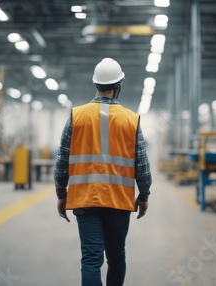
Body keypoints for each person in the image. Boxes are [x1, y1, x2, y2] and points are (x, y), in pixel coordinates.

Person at [54, 58, 152, 286]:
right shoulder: (131, 120)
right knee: (116, 257)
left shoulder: (76, 116)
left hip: (85, 200)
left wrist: (61, 194)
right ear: (119, 86)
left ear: (96, 85)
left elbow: (62, 161)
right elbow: (142, 166)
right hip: (118, 201)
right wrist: (144, 195)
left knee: (91, 259)